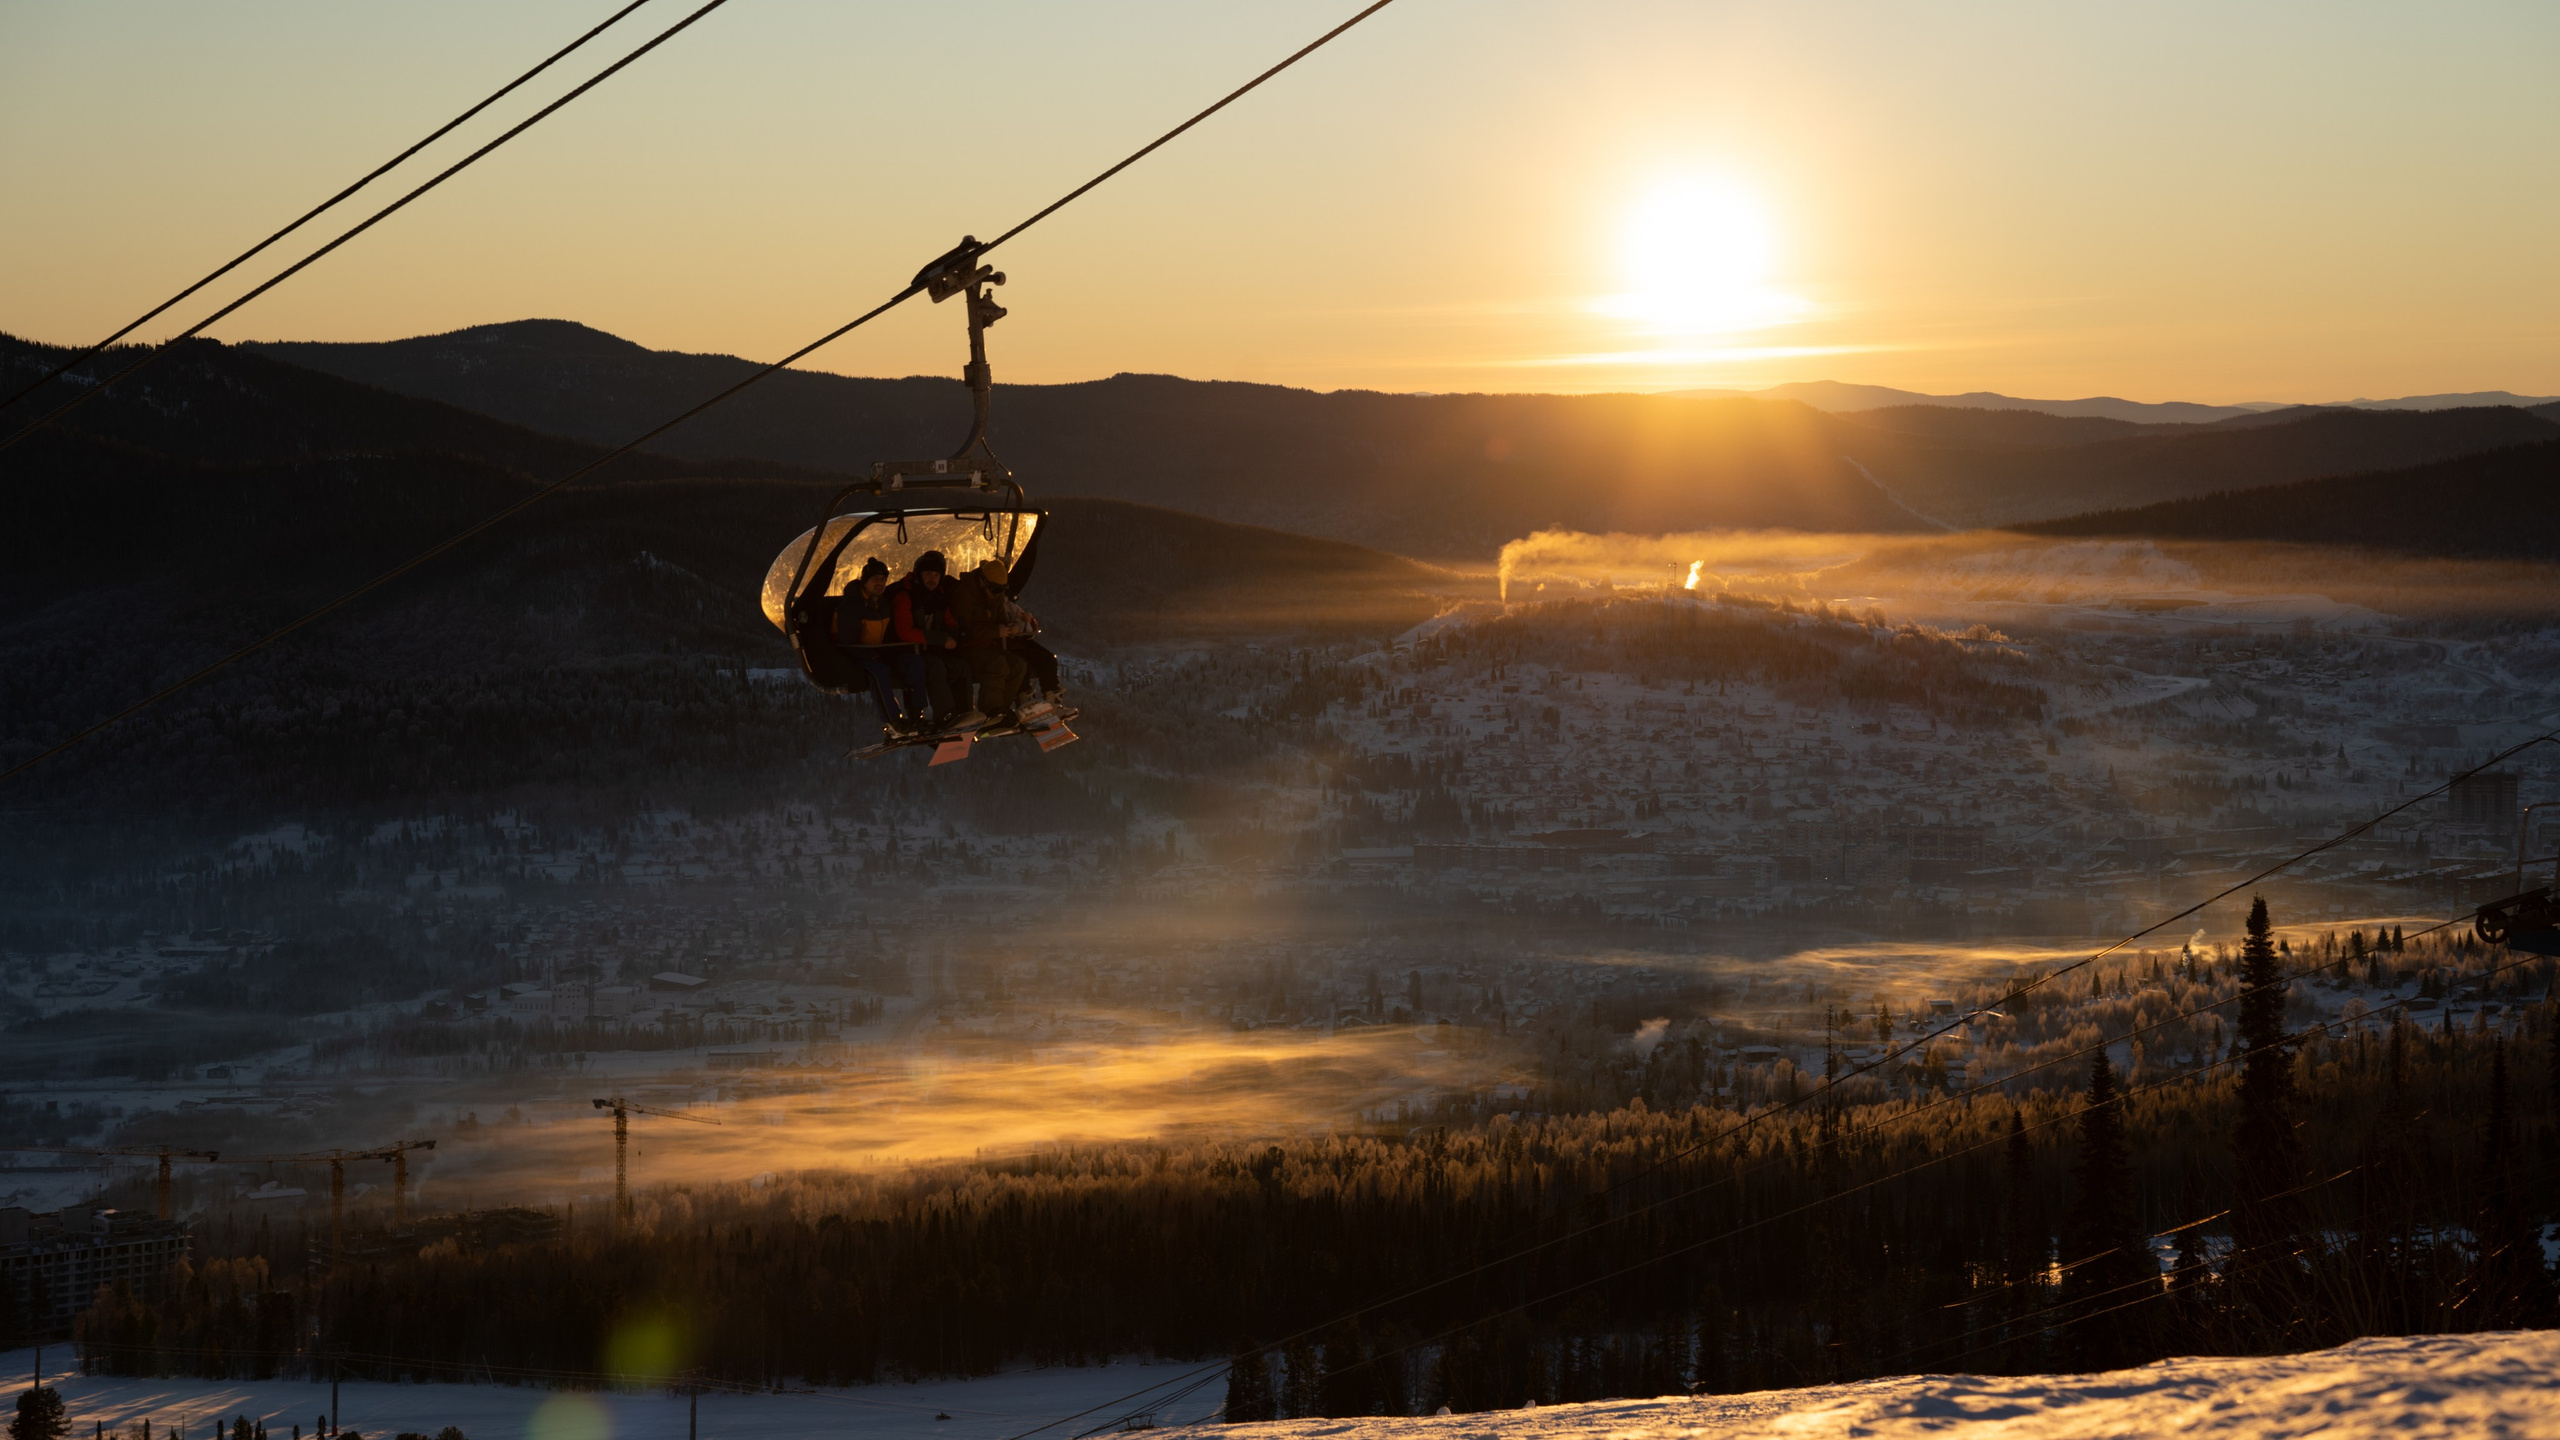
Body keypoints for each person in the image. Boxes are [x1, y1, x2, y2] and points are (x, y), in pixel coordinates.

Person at [834, 557, 930, 733]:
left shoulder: (884, 605)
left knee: (914, 662)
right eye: (875, 579)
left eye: (882, 580)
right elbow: (849, 643)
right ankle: (892, 721)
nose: (879, 583)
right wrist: (874, 656)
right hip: (855, 656)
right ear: (865, 582)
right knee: (879, 672)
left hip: (879, 653)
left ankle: (917, 714)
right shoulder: (851, 607)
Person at [892, 550, 973, 727]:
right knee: (935, 667)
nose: (932, 579)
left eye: (936, 575)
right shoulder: (905, 597)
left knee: (960, 666)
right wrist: (939, 639)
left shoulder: (940, 597)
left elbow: (951, 622)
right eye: (928, 574)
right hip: (907, 652)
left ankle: (965, 712)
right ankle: (945, 716)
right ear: (918, 574)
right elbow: (904, 631)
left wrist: (952, 636)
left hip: (930, 650)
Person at [951, 557, 1030, 721]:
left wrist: (1011, 626)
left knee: (1018, 665)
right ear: (983, 582)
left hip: (988, 645)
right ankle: (990, 710)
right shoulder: (965, 594)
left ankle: (1002, 709)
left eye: (1000, 590)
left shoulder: (996, 595)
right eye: (994, 589)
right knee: (997, 664)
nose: (997, 593)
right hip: (967, 648)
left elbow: (1000, 619)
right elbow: (964, 631)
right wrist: (995, 631)